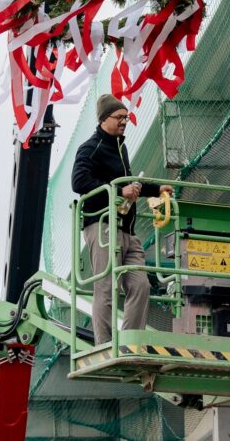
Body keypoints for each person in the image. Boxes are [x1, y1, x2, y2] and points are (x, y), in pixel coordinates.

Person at [72, 94, 174, 345]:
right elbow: (79, 182)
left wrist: (157, 188)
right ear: (104, 119)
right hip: (103, 227)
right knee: (106, 288)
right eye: (119, 117)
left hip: (126, 230)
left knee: (141, 286)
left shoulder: (121, 147)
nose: (124, 122)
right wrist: (118, 191)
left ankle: (130, 341)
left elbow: (129, 186)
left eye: (126, 117)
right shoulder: (90, 147)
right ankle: (105, 345)